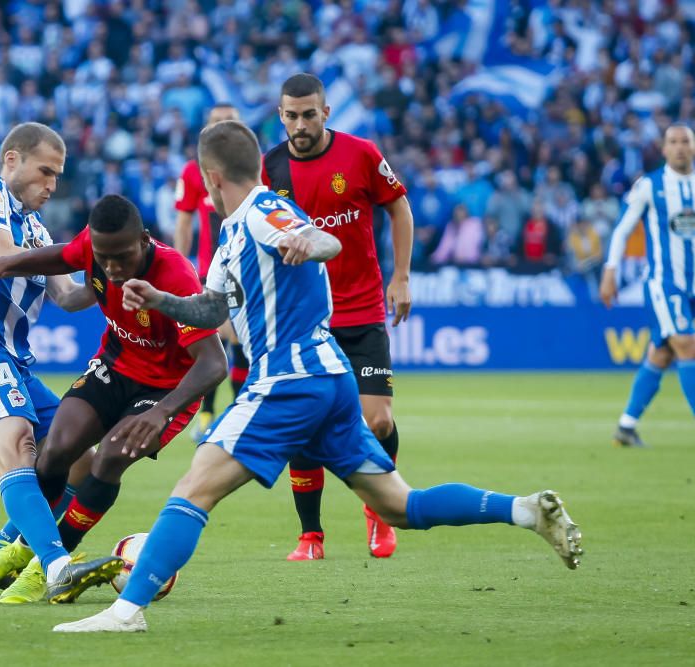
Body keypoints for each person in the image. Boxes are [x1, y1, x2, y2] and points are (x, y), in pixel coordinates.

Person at [51, 120, 582, 634]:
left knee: (194, 488)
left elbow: (320, 241)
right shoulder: (233, 234)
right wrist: (163, 299)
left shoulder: (263, 210)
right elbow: (213, 311)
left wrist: (313, 243)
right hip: (328, 379)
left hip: (289, 378)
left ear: (210, 177)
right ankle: (526, 510)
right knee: (399, 505)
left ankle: (125, 614)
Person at [0, 193, 228, 603]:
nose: (111, 267)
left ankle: (44, 568)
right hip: (115, 364)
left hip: (165, 389)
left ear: (144, 241)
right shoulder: (97, 249)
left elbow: (213, 363)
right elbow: (60, 257)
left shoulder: (174, 274)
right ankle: (29, 549)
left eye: (122, 258)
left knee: (110, 456)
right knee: (57, 448)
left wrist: (163, 412)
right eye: (102, 257)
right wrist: (3, 263)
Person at [0, 122, 125, 604]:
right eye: (45, 173)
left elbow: (70, 296)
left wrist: (117, 269)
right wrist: (76, 252)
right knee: (18, 443)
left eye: (58, 176)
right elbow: (1, 255)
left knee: (77, 453)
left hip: (14, 361)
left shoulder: (36, 227)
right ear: (13, 160)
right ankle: (56, 564)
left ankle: (1, 553)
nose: (52, 186)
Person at [261, 73, 414, 560]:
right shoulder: (271, 168)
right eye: (291, 115)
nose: (300, 124)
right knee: (303, 422)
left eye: (309, 114)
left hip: (363, 308)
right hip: (304, 318)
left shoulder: (362, 154)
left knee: (379, 421)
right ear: (280, 115)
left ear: (326, 112)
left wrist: (402, 277)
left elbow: (400, 209)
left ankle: (379, 512)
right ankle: (311, 536)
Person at [599, 124, 695, 445]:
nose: (680, 147)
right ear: (664, 149)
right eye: (674, 142)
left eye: (686, 142)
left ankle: (626, 427)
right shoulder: (649, 186)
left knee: (662, 353)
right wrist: (610, 270)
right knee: (686, 343)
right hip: (664, 283)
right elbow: (622, 230)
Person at [173, 103, 249, 439]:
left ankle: (239, 412)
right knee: (218, 338)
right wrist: (178, 264)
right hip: (210, 271)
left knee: (241, 341)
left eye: (230, 121)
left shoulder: (254, 170)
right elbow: (184, 219)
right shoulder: (193, 172)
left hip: (249, 270)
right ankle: (209, 414)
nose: (223, 127)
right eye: (217, 121)